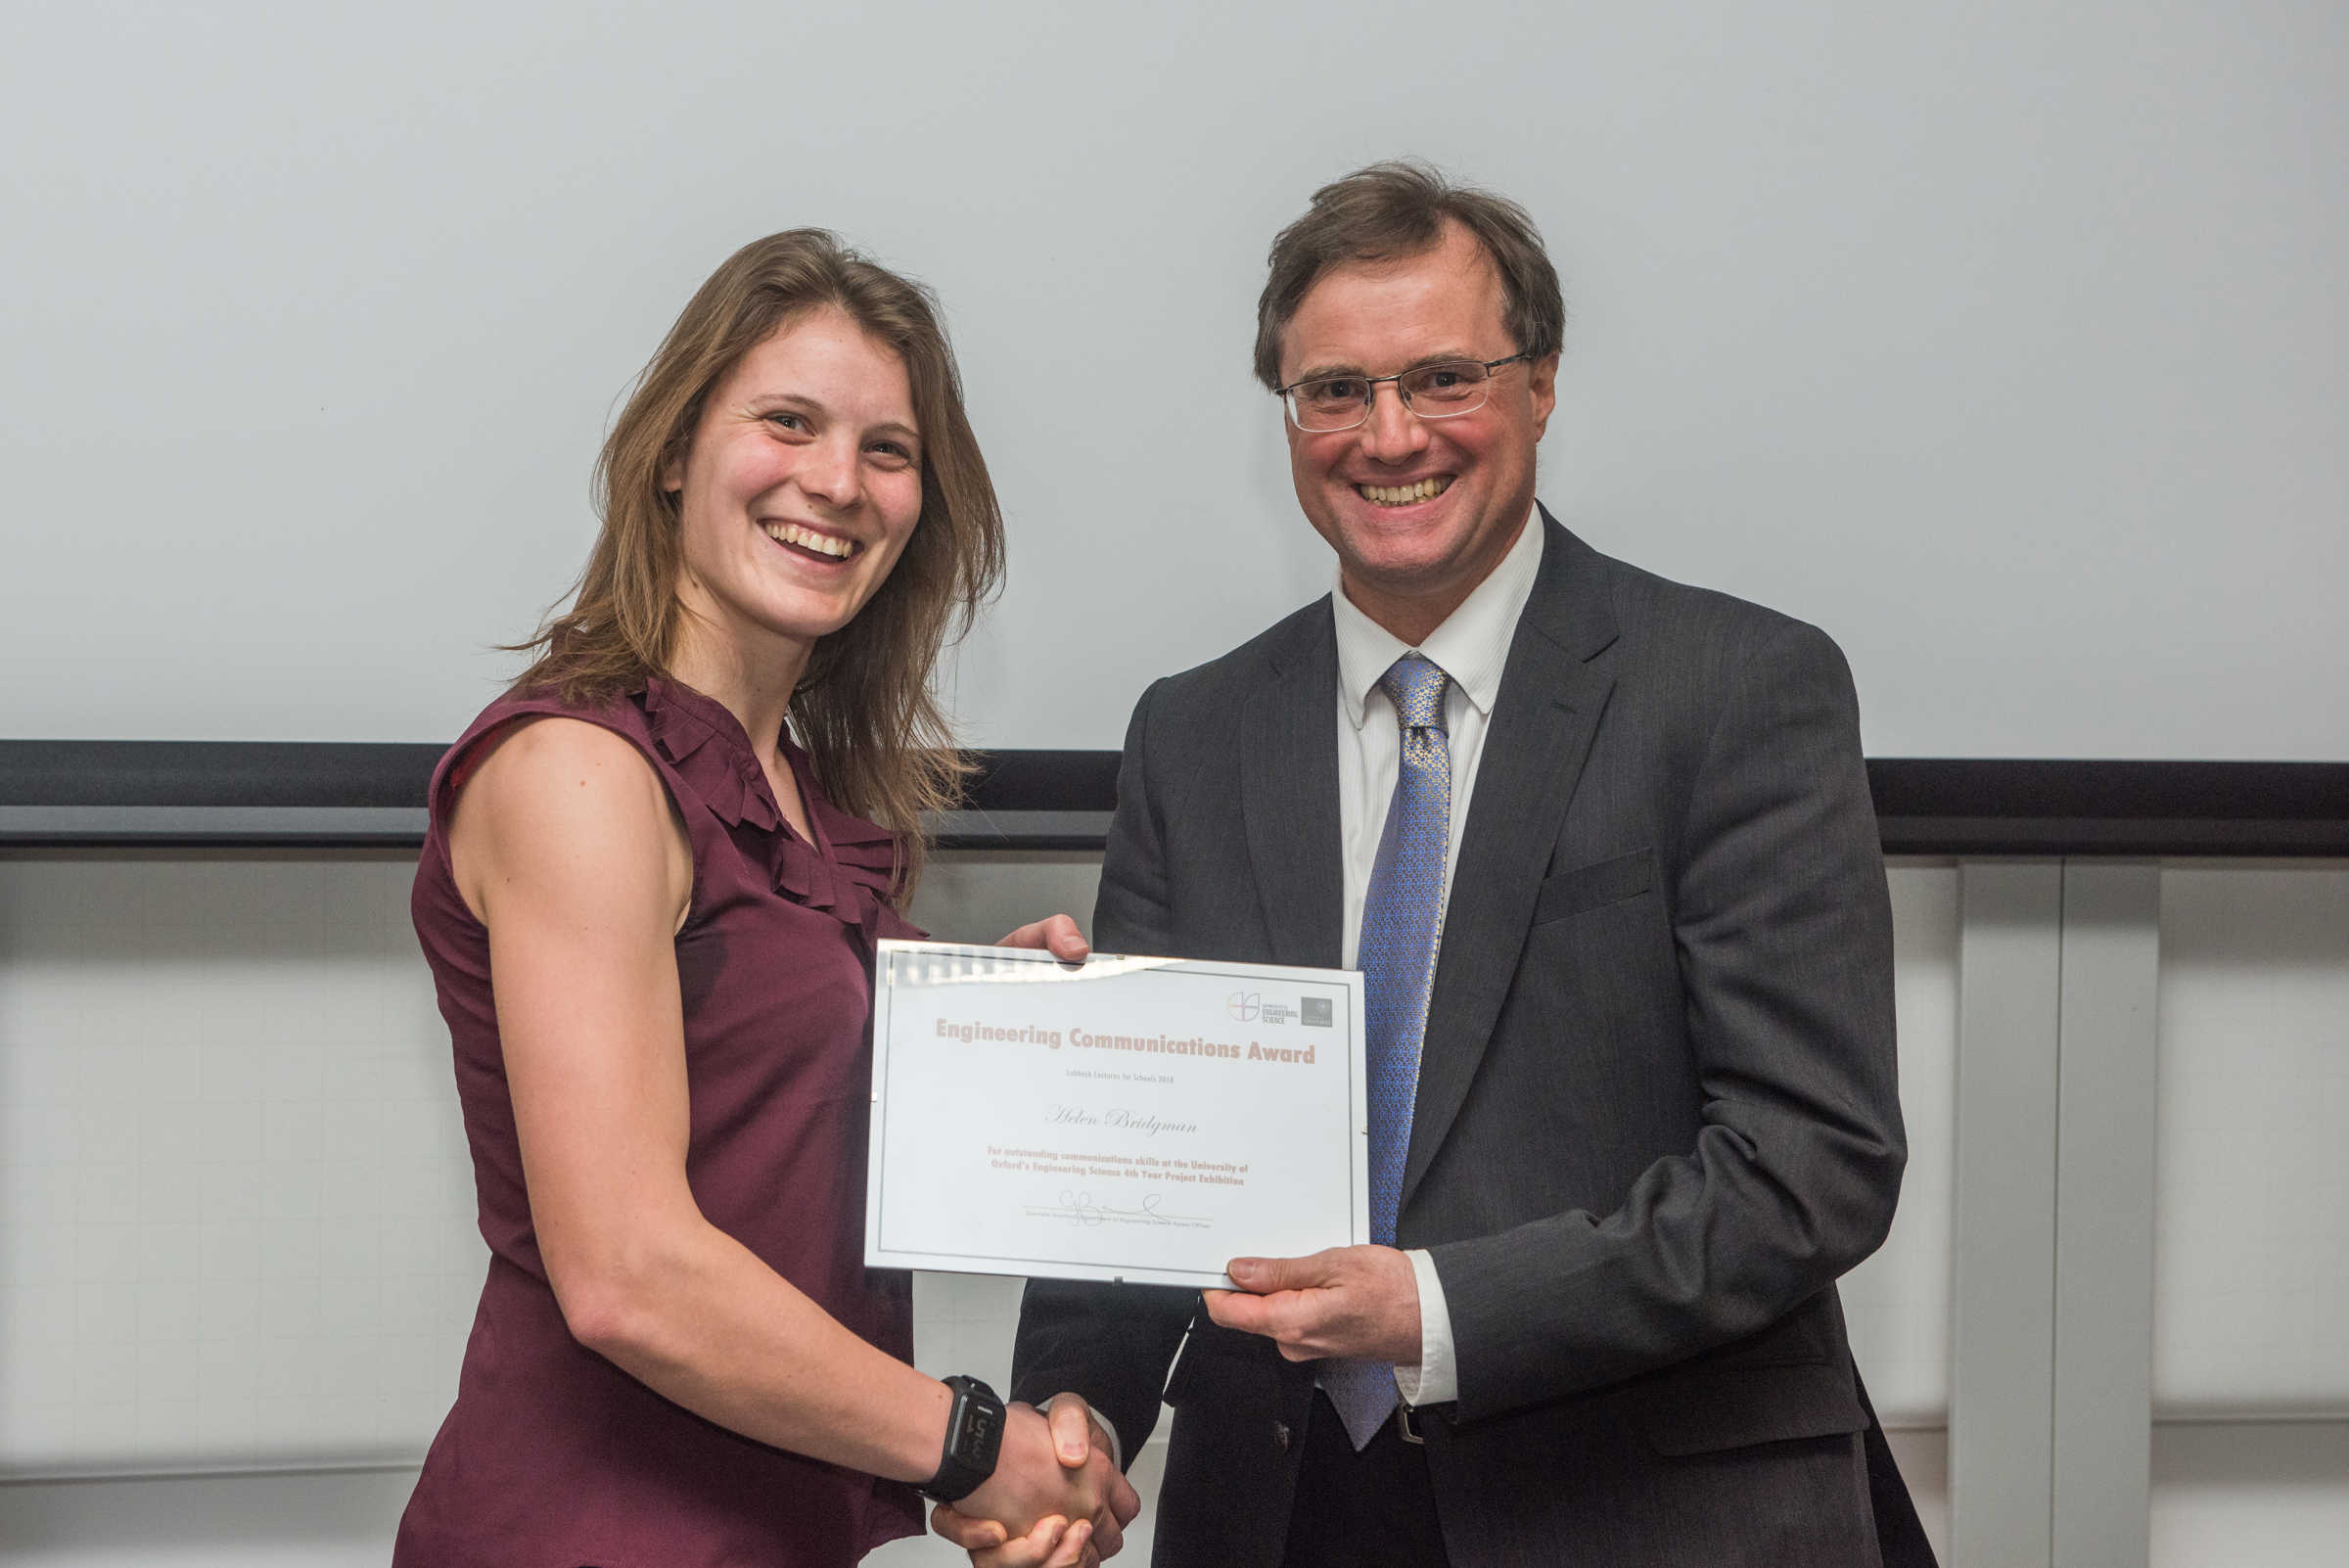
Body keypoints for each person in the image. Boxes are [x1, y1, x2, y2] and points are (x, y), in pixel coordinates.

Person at [938, 163, 1934, 1566]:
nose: (1387, 434)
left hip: (1640, 1513)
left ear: (1541, 385)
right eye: (1334, 390)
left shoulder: (1736, 689)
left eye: (1444, 377)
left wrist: (1436, 1309)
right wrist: (1071, 1421)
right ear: (1287, 416)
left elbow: (1810, 1165)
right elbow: (1148, 1171)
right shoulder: (1195, 729)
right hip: (1280, 1519)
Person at [394, 230, 1139, 1567]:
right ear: (676, 450)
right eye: (787, 423)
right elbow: (630, 1274)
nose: (836, 484)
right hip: (594, 1531)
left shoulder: (804, 791)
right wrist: (977, 1444)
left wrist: (997, 1031)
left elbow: (766, 1122)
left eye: (888, 450)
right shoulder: (581, 770)